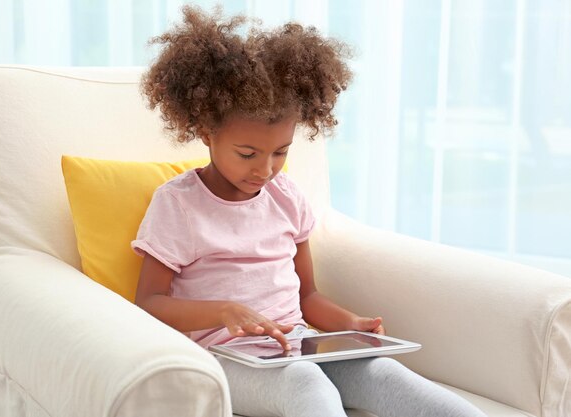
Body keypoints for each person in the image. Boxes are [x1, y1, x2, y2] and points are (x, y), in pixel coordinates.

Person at [132, 5, 486, 417]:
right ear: (207, 133)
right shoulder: (179, 204)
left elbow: (307, 295)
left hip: (299, 345)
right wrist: (223, 312)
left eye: (280, 152)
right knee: (306, 384)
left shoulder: (286, 197)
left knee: (388, 376)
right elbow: (149, 302)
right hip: (227, 358)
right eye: (247, 154)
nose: (265, 170)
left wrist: (349, 324)